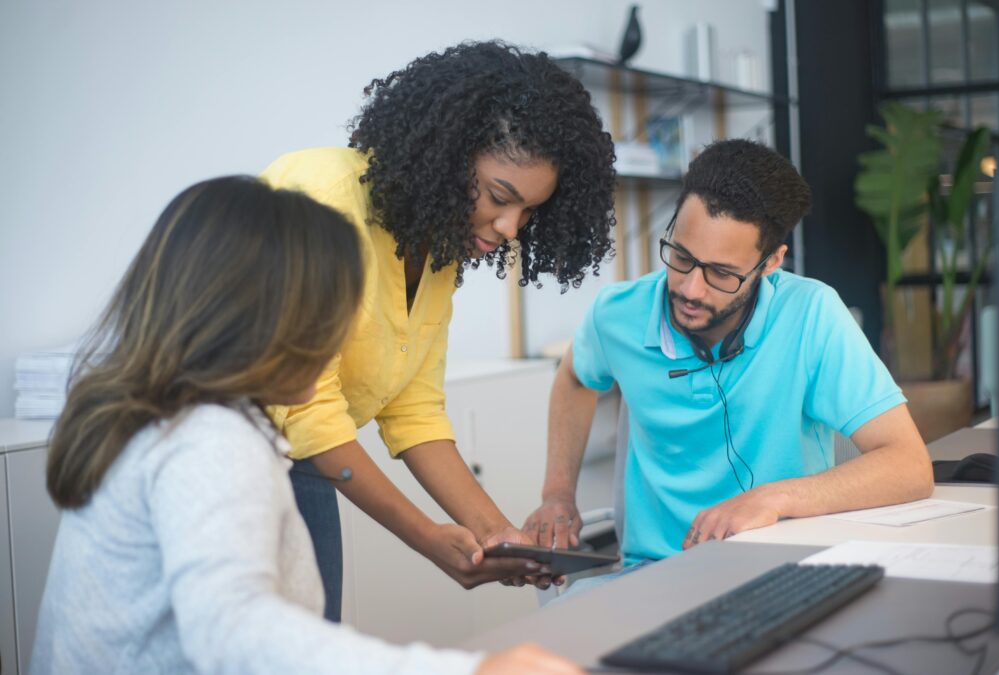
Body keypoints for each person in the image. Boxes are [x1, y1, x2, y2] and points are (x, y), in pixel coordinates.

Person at [32, 176, 582, 675]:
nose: (343, 338)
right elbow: (234, 632)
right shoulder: (211, 445)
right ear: (259, 317)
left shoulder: (168, 422)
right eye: (333, 313)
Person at [260, 40, 616, 618]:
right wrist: (427, 537)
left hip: (302, 458)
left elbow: (413, 409)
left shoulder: (438, 249)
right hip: (228, 456)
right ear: (447, 155)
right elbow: (307, 411)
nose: (508, 227)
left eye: (527, 213)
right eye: (500, 197)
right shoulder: (321, 198)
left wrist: (499, 534)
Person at [524, 139, 935, 590]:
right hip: (655, 574)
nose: (691, 289)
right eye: (681, 257)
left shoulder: (812, 313)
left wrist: (773, 498)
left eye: (721, 273)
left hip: (788, 572)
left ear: (771, 262)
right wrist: (557, 494)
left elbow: (909, 464)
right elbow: (575, 377)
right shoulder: (617, 314)